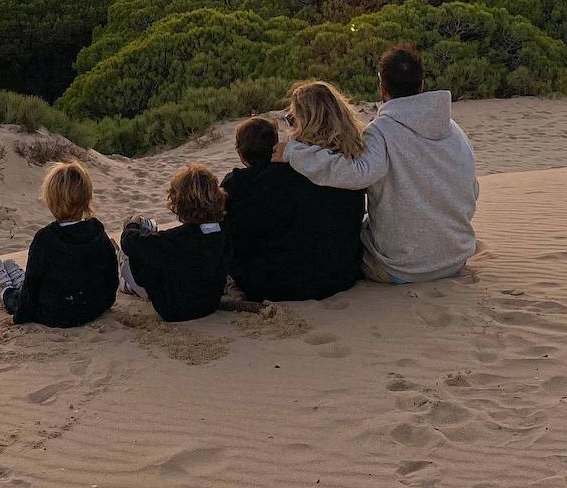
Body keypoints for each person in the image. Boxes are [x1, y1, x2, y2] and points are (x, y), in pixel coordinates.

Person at [277, 46, 478, 284]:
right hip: (455, 259)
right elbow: (472, 190)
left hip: (403, 268)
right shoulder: (454, 130)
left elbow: (357, 174)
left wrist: (293, 152)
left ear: (382, 86)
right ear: (421, 84)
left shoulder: (382, 131)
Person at [221, 115, 364, 301]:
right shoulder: (306, 172)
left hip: (270, 284)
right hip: (335, 277)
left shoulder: (236, 185)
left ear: (240, 153)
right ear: (275, 145)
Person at [0, 160, 118, 326]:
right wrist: (104, 303)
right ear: (87, 198)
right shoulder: (98, 233)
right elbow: (111, 278)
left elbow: (31, 291)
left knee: (18, 296)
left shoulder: (45, 240)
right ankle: (18, 279)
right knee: (32, 280)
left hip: (54, 314)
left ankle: (4, 290)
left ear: (51, 199)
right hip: (93, 307)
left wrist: (18, 318)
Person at [119, 164, 229, 322]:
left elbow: (130, 243)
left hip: (173, 309)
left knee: (135, 248)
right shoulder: (222, 232)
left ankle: (128, 285)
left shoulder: (177, 240)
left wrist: (131, 225)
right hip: (209, 304)